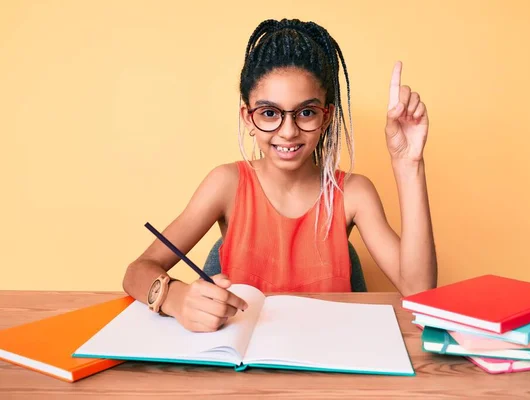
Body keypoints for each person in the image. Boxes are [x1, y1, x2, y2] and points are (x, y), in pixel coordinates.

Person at [122, 18, 437, 332]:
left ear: (325, 117)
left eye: (306, 112)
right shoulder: (226, 184)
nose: (288, 132)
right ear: (248, 116)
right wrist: (175, 298)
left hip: (326, 364)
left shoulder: (353, 193)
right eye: (270, 113)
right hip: (242, 371)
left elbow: (420, 291)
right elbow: (136, 272)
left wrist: (408, 164)